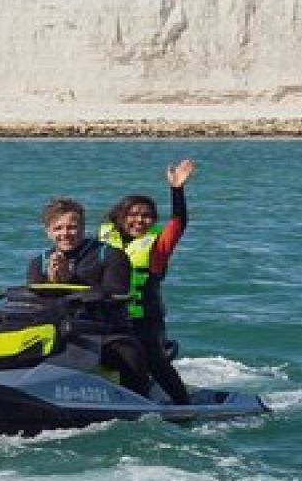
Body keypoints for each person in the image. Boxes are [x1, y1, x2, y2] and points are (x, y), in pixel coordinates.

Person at [25, 196, 149, 394]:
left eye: (72, 227)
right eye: (58, 228)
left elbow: (117, 293)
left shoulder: (110, 255)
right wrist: (51, 282)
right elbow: (34, 301)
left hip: (105, 331)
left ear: (83, 227)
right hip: (57, 332)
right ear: (48, 231)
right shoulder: (38, 262)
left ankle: (142, 399)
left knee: (129, 352)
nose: (65, 234)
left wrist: (70, 279)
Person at [98, 159, 196, 404]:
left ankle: (184, 404)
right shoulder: (103, 242)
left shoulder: (157, 246)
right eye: (133, 215)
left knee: (153, 360)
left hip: (145, 321)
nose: (139, 220)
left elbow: (179, 222)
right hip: (109, 318)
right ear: (120, 217)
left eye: (146, 216)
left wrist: (177, 190)